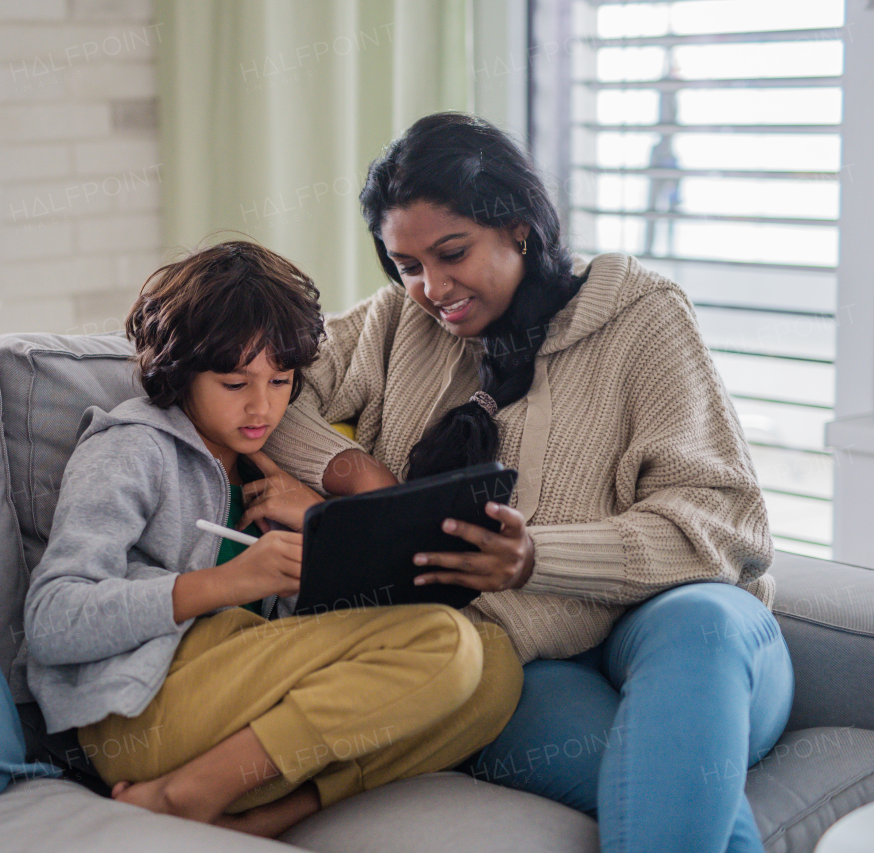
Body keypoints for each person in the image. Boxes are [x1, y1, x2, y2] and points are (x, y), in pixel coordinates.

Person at [259, 113, 795, 853]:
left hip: (688, 634)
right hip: (530, 658)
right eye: (406, 265)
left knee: (698, 623)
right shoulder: (395, 325)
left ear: (517, 227)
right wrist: (357, 475)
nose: (430, 288)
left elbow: (723, 522)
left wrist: (537, 556)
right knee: (663, 783)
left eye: (451, 253)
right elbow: (266, 393)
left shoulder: (642, 317)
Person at [24, 240, 523, 838]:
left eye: (281, 380)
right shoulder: (131, 449)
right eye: (235, 383)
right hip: (145, 710)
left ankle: (269, 814)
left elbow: (314, 642)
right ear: (179, 372)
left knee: (493, 662)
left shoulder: (268, 468)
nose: (263, 406)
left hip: (247, 709)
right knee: (444, 644)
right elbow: (52, 619)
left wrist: (322, 537)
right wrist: (229, 582)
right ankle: (189, 793)